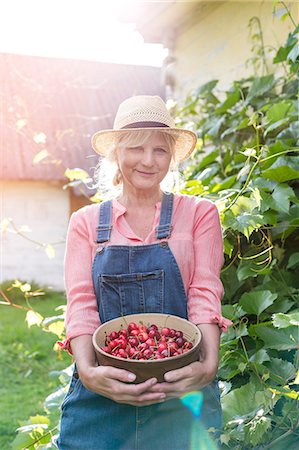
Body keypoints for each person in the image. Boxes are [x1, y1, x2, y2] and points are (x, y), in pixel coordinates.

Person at [57, 95, 231, 450]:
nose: (149, 161)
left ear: (171, 157)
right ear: (116, 154)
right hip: (105, 388)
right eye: (136, 148)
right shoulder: (86, 223)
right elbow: (81, 305)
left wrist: (208, 366)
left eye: (160, 150)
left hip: (180, 387)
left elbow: (204, 293)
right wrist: (90, 375)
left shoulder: (199, 214)